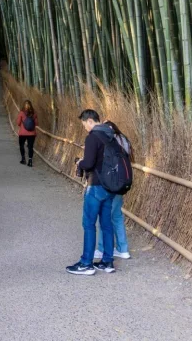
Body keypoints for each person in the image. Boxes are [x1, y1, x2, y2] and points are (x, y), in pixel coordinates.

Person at [67, 109, 117, 276]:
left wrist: (80, 163)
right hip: (109, 186)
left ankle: (86, 263)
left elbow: (88, 163)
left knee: (89, 224)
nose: (85, 128)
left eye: (84, 124)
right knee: (106, 224)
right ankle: (107, 261)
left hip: (95, 185)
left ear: (89, 121)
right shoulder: (110, 135)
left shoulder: (93, 137)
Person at [94, 120, 131, 261]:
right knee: (117, 216)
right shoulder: (123, 140)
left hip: (111, 183)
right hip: (122, 181)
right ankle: (123, 249)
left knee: (105, 216)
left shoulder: (109, 141)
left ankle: (102, 249)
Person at [17, 100, 38, 166]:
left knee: (21, 145)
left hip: (22, 133)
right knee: (30, 147)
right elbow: (36, 123)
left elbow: (18, 123)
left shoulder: (21, 113)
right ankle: (30, 161)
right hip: (32, 134)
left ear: (24, 105)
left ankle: (23, 159)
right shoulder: (34, 113)